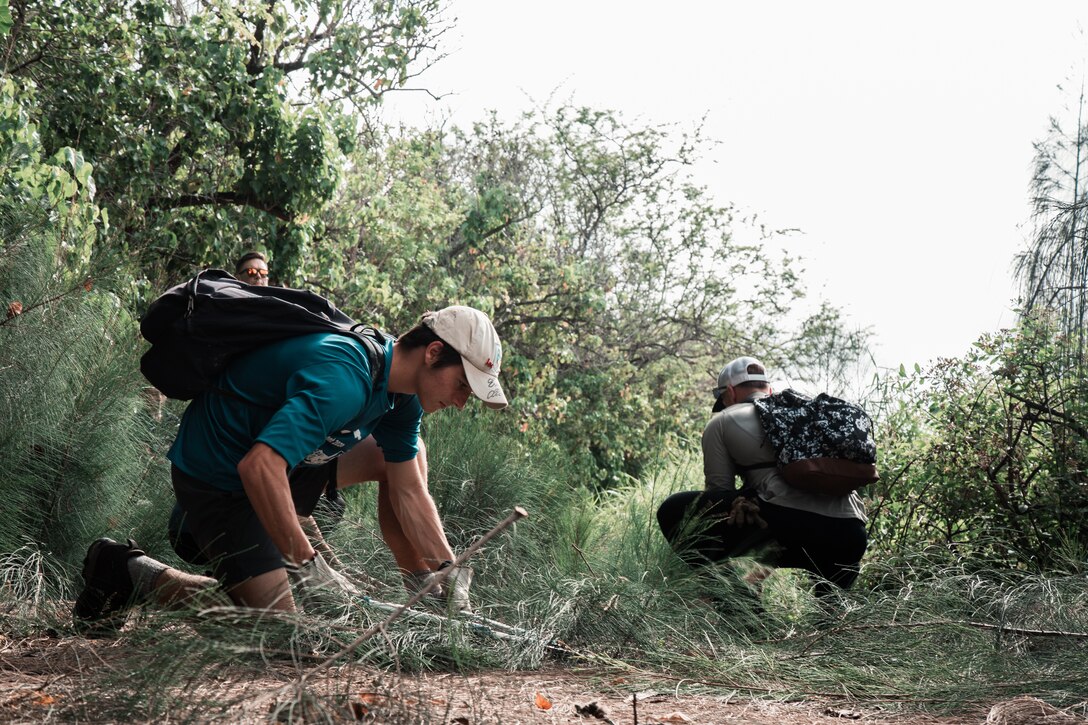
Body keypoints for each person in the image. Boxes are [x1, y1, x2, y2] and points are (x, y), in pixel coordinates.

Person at [74, 305, 508, 633]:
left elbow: (410, 492)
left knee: (408, 455)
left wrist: (444, 570)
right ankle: (130, 574)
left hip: (287, 463)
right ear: (433, 353)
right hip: (221, 478)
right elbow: (258, 466)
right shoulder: (345, 377)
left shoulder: (401, 396)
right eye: (462, 385)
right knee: (280, 634)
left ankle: (424, 598)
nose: (460, 401)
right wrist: (308, 565)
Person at [656, 356, 867, 599]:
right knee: (829, 618)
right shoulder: (805, 412)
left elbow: (719, 495)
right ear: (770, 389)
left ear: (730, 393)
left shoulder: (723, 420)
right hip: (851, 533)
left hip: (790, 528)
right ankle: (825, 623)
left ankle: (738, 607)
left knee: (674, 510)